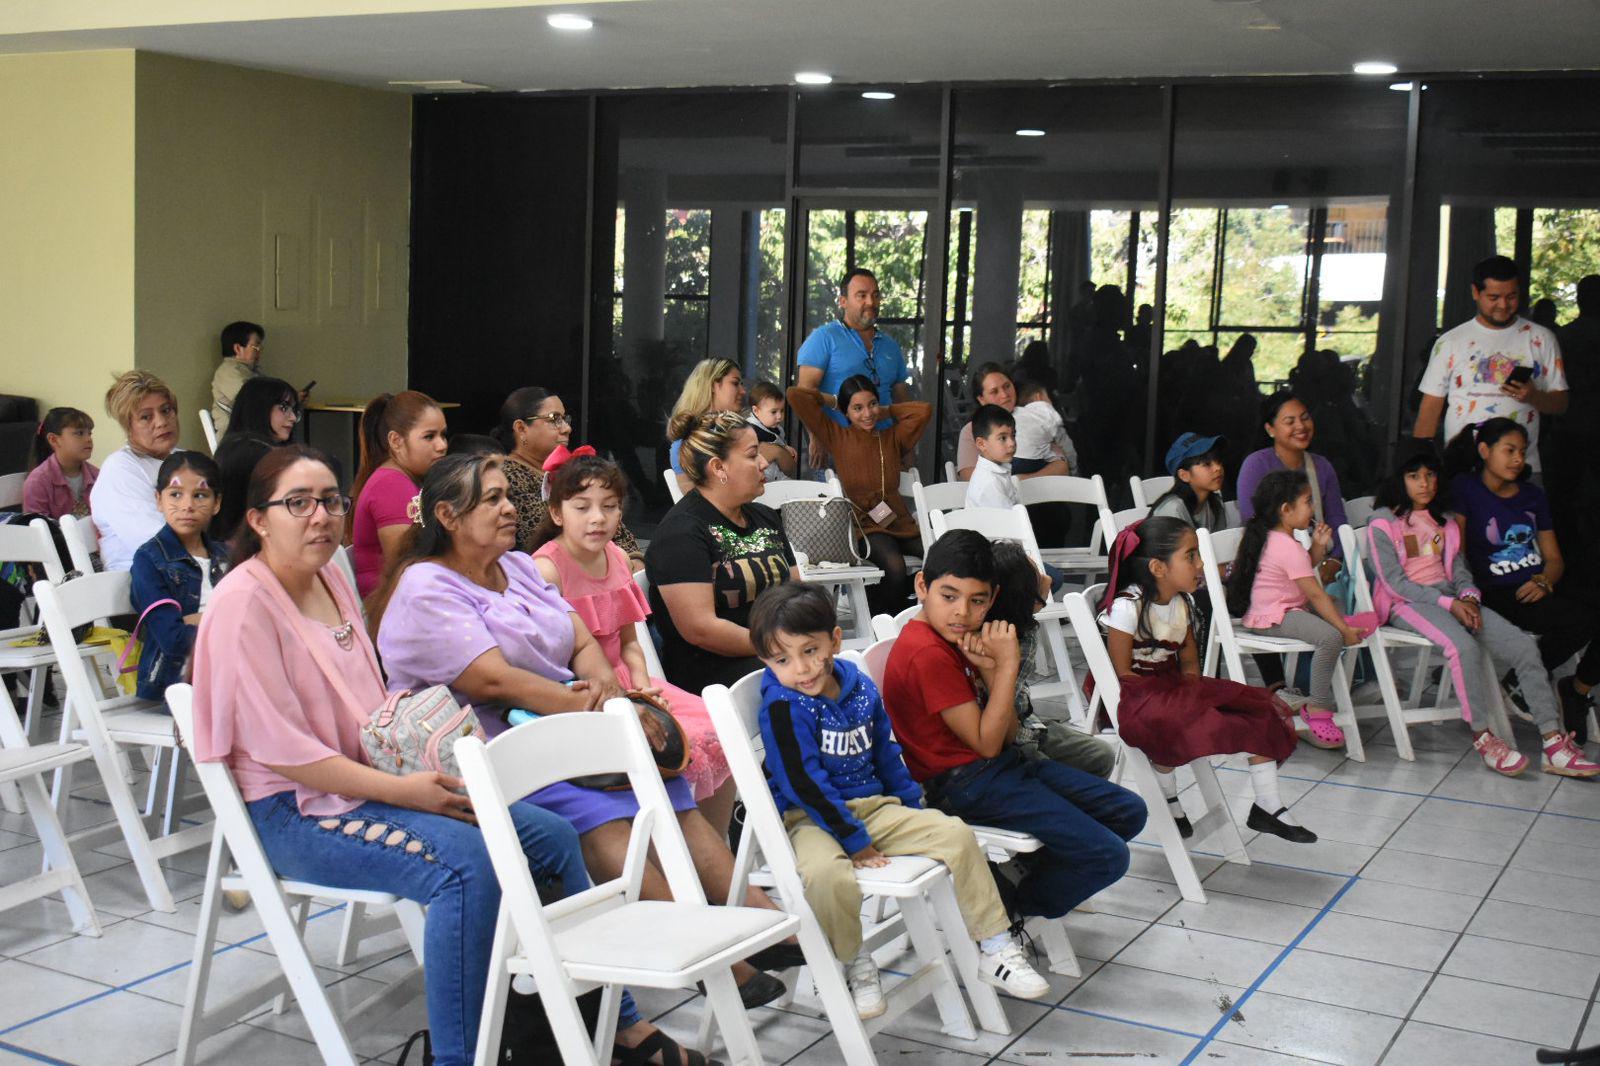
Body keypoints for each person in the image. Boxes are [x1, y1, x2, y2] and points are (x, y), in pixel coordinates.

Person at [189, 445, 700, 1066]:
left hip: (372, 778)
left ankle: (605, 1022)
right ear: (259, 519)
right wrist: (406, 790)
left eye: (329, 500)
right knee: (468, 866)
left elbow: (374, 709)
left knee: (551, 834)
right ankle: (464, 1056)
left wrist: (408, 775)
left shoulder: (328, 577)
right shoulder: (243, 602)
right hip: (294, 811)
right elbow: (284, 753)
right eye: (298, 503)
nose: (320, 516)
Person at [373, 453, 792, 1009]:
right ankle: (698, 946)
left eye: (506, 496)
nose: (508, 509)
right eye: (492, 499)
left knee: (668, 792)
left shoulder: (516, 568)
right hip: (493, 743)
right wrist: (594, 714)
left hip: (571, 717)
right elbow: (495, 681)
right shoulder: (427, 586)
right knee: (598, 812)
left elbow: (583, 643)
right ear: (448, 516)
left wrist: (610, 696)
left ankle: (758, 919)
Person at [751, 582, 1050, 1017]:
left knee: (956, 836)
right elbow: (803, 783)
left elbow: (886, 756)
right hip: (811, 818)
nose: (801, 669)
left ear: (835, 640)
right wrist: (853, 840)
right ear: (766, 661)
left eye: (810, 651)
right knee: (824, 876)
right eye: (782, 660)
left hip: (874, 808)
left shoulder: (858, 688)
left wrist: (912, 808)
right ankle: (855, 962)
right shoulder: (783, 706)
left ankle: (996, 947)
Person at [880, 530, 1146, 923]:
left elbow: (1004, 736)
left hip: (999, 768)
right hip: (963, 785)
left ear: (993, 596)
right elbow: (987, 745)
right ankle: (1008, 906)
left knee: (1128, 811)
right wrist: (1005, 666)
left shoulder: (955, 638)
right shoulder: (927, 652)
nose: (962, 613)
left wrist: (990, 673)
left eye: (977, 601)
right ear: (922, 585)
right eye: (949, 596)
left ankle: (1013, 878)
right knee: (1108, 856)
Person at [529, 450, 736, 830]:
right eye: (582, 507)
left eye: (609, 506)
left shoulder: (619, 558)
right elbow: (551, 662)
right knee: (673, 742)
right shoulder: (546, 569)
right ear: (557, 513)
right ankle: (671, 844)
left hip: (632, 684)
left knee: (724, 729)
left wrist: (641, 685)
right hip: (585, 696)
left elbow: (629, 642)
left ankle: (715, 841)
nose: (598, 518)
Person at [1368, 446, 1598, 777]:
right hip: (1407, 604)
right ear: (1398, 479)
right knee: (1462, 647)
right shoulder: (1382, 524)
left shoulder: (1444, 522)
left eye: (1430, 475)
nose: (1424, 483)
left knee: (1523, 647)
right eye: (1414, 476)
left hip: (1455, 599)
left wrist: (1470, 597)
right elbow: (1394, 584)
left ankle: (1552, 742)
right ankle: (1483, 737)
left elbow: (1460, 570)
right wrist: (1450, 604)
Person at [1099, 517, 1312, 842]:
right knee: (1173, 722)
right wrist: (1185, 703)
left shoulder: (1183, 604)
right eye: (1191, 556)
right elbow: (1122, 672)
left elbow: (1188, 664)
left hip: (1172, 684)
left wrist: (1196, 694)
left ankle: (1267, 804)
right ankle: (1169, 797)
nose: (1200, 564)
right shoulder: (1128, 607)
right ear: (1158, 567)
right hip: (1137, 693)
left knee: (1258, 709)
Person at [1447, 418, 1600, 743]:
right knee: (1582, 621)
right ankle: (1524, 679)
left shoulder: (1532, 496)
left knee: (1591, 608)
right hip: (1493, 590)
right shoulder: (1467, 488)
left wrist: (1544, 580)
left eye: (1522, 452)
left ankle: (1574, 688)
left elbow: (1554, 559)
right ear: (1485, 450)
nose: (1519, 459)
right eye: (1510, 451)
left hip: (1535, 586)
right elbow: (1455, 552)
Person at [646, 411, 798, 696]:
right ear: (719, 468)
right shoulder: (682, 532)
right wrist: (781, 648)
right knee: (808, 680)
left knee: (841, 672)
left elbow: (796, 592)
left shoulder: (765, 516)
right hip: (711, 671)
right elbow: (701, 629)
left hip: (775, 654)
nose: (764, 463)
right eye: (753, 455)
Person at [1226, 471, 1364, 751]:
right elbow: (1314, 592)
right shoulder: (1286, 546)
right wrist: (1343, 629)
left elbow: (1301, 569)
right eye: (1308, 501)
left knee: (1332, 617)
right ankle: (1318, 707)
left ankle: (1312, 699)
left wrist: (1316, 548)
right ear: (1286, 510)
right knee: (1330, 637)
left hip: (1280, 609)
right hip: (1274, 615)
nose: (1313, 507)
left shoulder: (1279, 539)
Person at [786, 378, 931, 615]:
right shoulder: (837, 435)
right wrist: (833, 402)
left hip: (900, 523)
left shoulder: (893, 437)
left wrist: (885, 411)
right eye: (857, 408)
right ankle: (886, 623)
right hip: (865, 526)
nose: (867, 414)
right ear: (846, 411)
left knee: (939, 554)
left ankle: (913, 611)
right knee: (894, 567)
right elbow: (794, 395)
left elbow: (923, 411)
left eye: (872, 404)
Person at [1414, 255, 1568, 478]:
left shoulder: (1542, 338)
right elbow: (1430, 410)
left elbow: (1561, 402)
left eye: (1511, 296)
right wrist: (1421, 467)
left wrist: (1534, 396)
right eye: (1494, 297)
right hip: (1464, 468)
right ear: (1476, 293)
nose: (1503, 305)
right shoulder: (1450, 342)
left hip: (1522, 469)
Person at [985, 541, 1117, 778]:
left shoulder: (1024, 628)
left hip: (1027, 725)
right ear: (1027, 597)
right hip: (1011, 740)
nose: (1048, 579)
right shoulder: (1009, 641)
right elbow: (1004, 718)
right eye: (1037, 575)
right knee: (1060, 781)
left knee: (1101, 755)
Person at [491, 387, 644, 566]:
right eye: (554, 419)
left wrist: (634, 561)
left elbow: (618, 531)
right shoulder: (508, 478)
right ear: (521, 428)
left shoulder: (570, 472)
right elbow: (551, 538)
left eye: (565, 419)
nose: (567, 428)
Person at [129, 451, 229, 701]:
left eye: (200, 495)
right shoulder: (149, 560)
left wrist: (196, 619)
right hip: (176, 684)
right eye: (175, 494)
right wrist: (229, 631)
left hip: (229, 672)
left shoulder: (227, 556)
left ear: (217, 503)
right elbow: (172, 638)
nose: (187, 506)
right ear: (158, 500)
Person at [349, 390, 448, 599]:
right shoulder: (391, 485)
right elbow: (408, 566)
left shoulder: (403, 479)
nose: (442, 446)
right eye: (429, 436)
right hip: (388, 609)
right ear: (396, 441)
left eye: (443, 435)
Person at [1236, 390, 1349, 568]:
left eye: (1305, 418)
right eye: (1290, 422)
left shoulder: (1322, 466)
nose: (1301, 426)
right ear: (1270, 429)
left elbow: (1336, 518)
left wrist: (1335, 559)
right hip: (1273, 565)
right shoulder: (1255, 465)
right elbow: (1253, 522)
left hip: (1320, 559)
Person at [795, 269, 910, 440]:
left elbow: (902, 402)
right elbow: (804, 396)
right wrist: (815, 437)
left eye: (875, 295)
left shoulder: (890, 346)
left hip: (885, 445)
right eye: (861, 295)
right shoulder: (824, 338)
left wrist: (906, 447)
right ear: (843, 301)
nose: (871, 302)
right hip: (839, 445)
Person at [91, 371, 182, 571]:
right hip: (143, 583)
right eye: (146, 417)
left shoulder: (184, 460)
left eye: (166, 410)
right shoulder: (121, 470)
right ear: (128, 426)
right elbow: (156, 544)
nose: (161, 422)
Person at [212, 377, 302, 543]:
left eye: (294, 410)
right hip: (247, 550)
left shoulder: (234, 445)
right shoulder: (256, 453)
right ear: (259, 407)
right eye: (284, 408)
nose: (292, 418)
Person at [954, 364, 1068, 482]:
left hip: (1043, 497)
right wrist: (1017, 484)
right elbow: (970, 478)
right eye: (994, 391)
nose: (1004, 395)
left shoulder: (1034, 420)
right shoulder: (971, 430)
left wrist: (1020, 482)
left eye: (1007, 386)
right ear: (981, 399)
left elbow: (1061, 467)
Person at [665, 359, 747, 496]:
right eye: (735, 383)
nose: (743, 391)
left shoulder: (741, 429)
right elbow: (698, 503)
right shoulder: (685, 443)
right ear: (713, 386)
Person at [24, 407, 97, 520]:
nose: (88, 439)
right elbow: (37, 528)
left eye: (89, 433)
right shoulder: (38, 481)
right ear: (54, 439)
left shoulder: (97, 475)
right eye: (79, 433)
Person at [1150, 433, 1229, 531]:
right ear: (1184, 475)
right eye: (1207, 464)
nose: (1218, 468)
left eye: (1219, 461)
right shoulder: (1173, 509)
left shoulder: (1214, 503)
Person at [1011, 379, 1077, 476]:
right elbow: (1066, 444)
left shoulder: (1016, 415)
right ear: (1039, 396)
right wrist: (1073, 468)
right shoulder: (1043, 409)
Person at [210, 320, 265, 436]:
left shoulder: (251, 371)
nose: (260, 353)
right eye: (256, 348)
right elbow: (251, 401)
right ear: (238, 349)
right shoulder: (228, 372)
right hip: (236, 441)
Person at [965, 404, 1020, 511]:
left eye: (1013, 435)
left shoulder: (998, 470)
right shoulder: (990, 483)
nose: (1011, 443)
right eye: (1003, 438)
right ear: (981, 444)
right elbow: (1010, 522)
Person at [745, 380, 796, 481]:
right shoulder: (748, 429)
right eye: (774, 412)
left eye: (782, 410)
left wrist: (785, 447)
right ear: (756, 411)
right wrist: (783, 448)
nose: (779, 416)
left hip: (777, 475)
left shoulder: (776, 428)